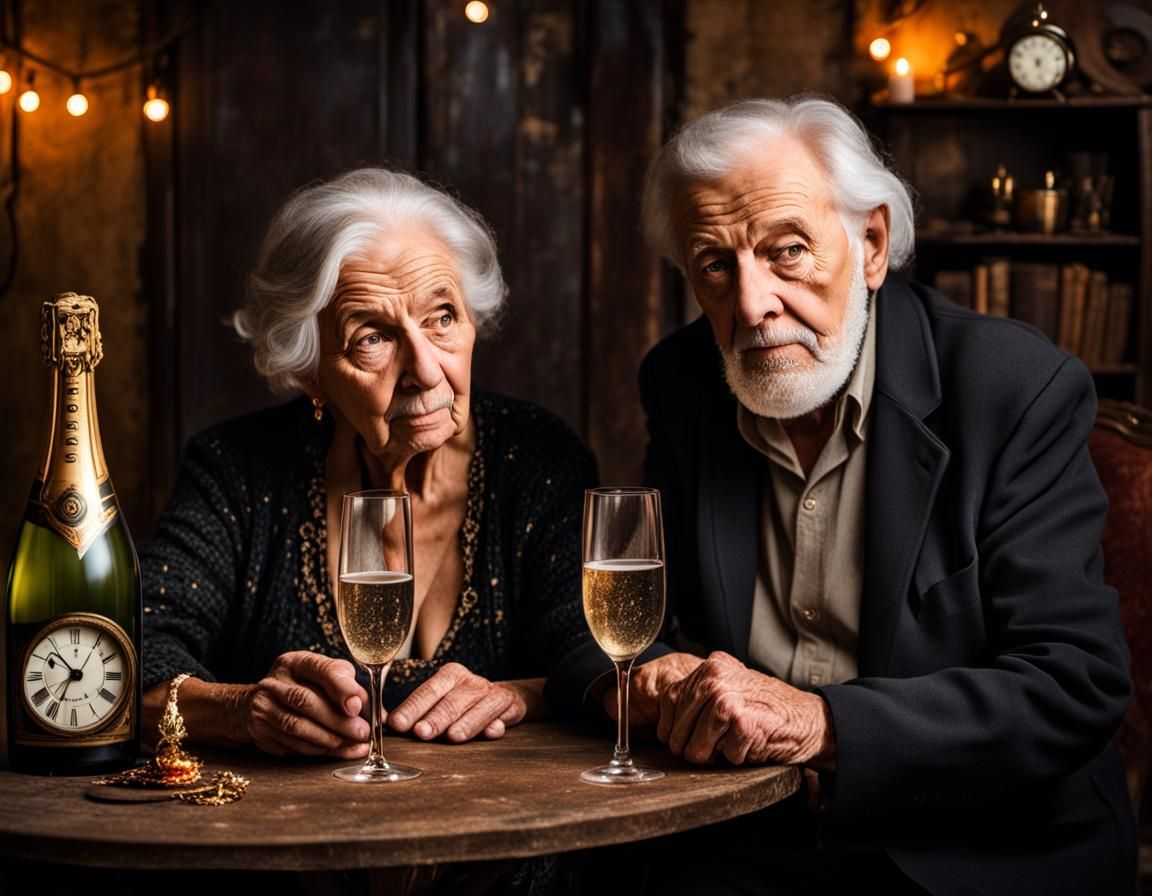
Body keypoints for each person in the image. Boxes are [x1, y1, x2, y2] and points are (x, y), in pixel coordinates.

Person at [549, 96, 1136, 894]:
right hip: (746, 832)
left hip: (976, 846)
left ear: (870, 243)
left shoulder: (1012, 388)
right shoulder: (685, 381)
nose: (752, 307)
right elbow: (612, 612)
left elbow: (1074, 684)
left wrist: (820, 723)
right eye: (716, 265)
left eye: (786, 252)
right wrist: (646, 676)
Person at [141, 168, 596, 762]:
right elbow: (132, 660)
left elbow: (599, 659)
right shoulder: (236, 472)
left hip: (513, 841)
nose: (427, 371)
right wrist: (238, 709)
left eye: (442, 317)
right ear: (310, 372)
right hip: (296, 839)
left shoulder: (540, 459)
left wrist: (519, 696)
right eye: (372, 338)